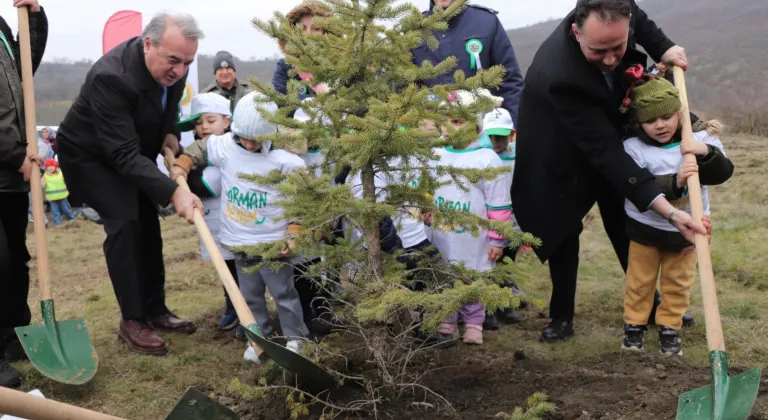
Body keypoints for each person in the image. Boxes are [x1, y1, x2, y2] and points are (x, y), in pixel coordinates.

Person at [512, 0, 707, 343]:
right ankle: (561, 316)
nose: (610, 59)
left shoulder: (620, 7)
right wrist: (669, 211)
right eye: (598, 50)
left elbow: (640, 20)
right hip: (556, 145)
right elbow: (604, 151)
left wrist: (664, 48)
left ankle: (647, 304)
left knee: (624, 217)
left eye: (618, 47)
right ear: (577, 32)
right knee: (562, 226)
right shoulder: (559, 75)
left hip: (606, 127)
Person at [55, 13, 204, 356]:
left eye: (187, 62)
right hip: (91, 157)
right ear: (148, 44)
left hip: (130, 150)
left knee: (148, 223)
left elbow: (167, 104)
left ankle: (155, 309)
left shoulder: (174, 64)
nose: (180, 70)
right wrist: (174, 192)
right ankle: (132, 320)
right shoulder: (111, 77)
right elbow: (122, 155)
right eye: (173, 61)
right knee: (124, 222)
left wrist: (170, 131)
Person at [171, 92, 309, 364]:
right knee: (249, 296)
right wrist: (183, 163)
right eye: (244, 137)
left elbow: (300, 200)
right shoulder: (226, 146)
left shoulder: (287, 161)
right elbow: (202, 148)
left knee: (283, 293)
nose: (248, 143)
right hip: (239, 241)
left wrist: (294, 231)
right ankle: (258, 337)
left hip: (273, 243)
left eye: (255, 139)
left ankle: (296, 337)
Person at [620, 67, 732, 355]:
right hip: (645, 228)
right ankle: (634, 326)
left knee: (678, 283)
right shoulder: (633, 148)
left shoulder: (699, 139)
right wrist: (676, 181)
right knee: (640, 281)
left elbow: (723, 173)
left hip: (689, 229)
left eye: (667, 117)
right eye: (650, 120)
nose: (660, 125)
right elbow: (639, 186)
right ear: (638, 122)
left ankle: (670, 328)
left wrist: (704, 151)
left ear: (679, 114)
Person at [428, 89, 512, 346]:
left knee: (473, 276)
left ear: (475, 125)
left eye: (456, 121)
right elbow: (427, 188)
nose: (448, 127)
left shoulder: (487, 159)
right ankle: (447, 319)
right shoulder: (436, 154)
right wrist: (426, 209)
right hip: (442, 232)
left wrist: (498, 239)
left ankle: (474, 322)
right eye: (445, 120)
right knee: (444, 274)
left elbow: (498, 202)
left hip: (475, 237)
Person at [0, 0, 47, 389]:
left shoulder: (1, 26)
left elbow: (23, 71)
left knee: (16, 260)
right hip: (9, 160)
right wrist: (14, 154)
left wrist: (33, 18)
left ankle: (15, 334)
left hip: (9, 178)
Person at [175, 92, 242, 333]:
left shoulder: (233, 148)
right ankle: (232, 305)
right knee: (224, 265)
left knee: (241, 269)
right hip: (212, 222)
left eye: (210, 120)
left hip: (236, 222)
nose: (204, 127)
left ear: (226, 121)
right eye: (198, 122)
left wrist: (184, 172)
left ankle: (246, 309)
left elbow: (206, 184)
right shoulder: (194, 153)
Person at [411, 0, 524, 124]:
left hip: (485, 128)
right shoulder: (413, 30)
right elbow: (403, 92)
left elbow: (510, 82)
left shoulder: (486, 21)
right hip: (434, 131)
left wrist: (514, 127)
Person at [481, 107, 527, 326]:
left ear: (512, 134)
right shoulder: (482, 158)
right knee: (489, 260)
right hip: (488, 219)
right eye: (490, 136)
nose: (495, 141)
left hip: (513, 219)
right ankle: (488, 305)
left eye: (500, 136)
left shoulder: (519, 156)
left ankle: (506, 297)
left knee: (507, 258)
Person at [271, 1, 332, 102]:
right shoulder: (286, 66)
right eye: (302, 28)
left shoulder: (341, 66)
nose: (308, 34)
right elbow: (280, 101)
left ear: (325, 32)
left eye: (316, 28)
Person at [40, 159, 78, 227]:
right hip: (52, 198)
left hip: (62, 196)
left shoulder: (61, 173)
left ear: (55, 166)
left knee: (66, 210)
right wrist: (41, 182)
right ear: (46, 167)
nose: (50, 168)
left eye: (52, 166)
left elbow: (67, 180)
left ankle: (71, 219)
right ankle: (57, 224)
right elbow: (42, 185)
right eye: (48, 166)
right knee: (55, 212)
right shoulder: (45, 176)